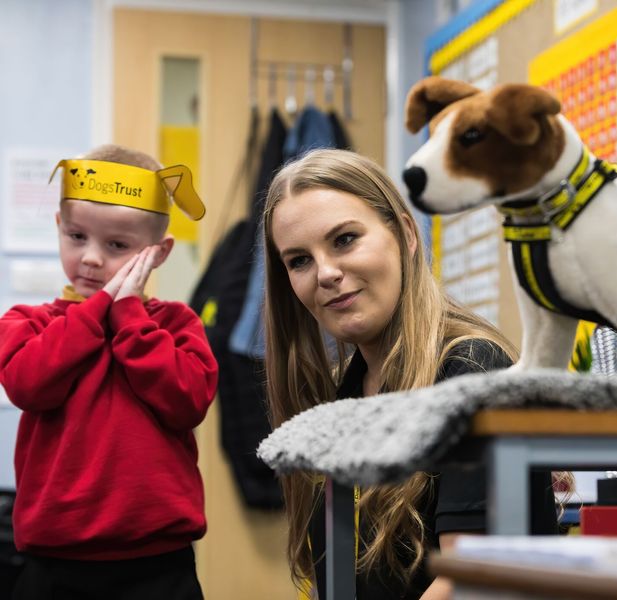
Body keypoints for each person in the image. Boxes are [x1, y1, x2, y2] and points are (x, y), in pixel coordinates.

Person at [262, 149, 560, 599]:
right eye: (299, 260)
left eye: (344, 239)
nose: (325, 273)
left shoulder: (472, 373)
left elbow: (469, 579)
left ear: (405, 235)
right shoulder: (345, 396)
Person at [0, 144, 218, 600]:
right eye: (77, 236)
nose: (92, 258)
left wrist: (131, 319)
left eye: (117, 245)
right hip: (52, 566)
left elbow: (188, 403)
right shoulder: (27, 322)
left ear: (158, 254)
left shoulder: (176, 325)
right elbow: (27, 384)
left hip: (159, 565)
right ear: (59, 227)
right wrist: (99, 310)